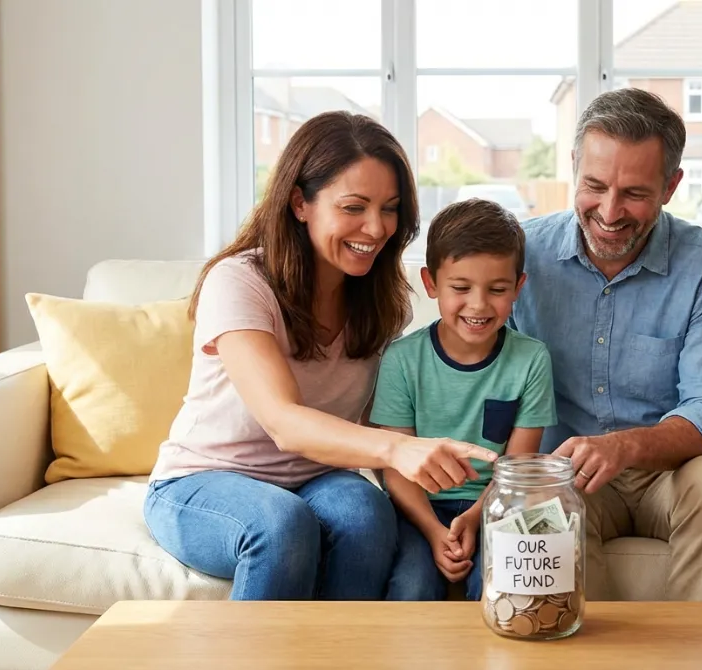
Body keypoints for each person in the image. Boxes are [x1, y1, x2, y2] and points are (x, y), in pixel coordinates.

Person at [143, 111, 499, 601]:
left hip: (315, 478)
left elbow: (380, 419)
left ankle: (341, 645)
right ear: (300, 203)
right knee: (280, 524)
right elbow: (283, 421)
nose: (376, 228)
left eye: (390, 209)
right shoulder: (239, 281)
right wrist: (396, 449)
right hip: (203, 480)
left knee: (366, 515)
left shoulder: (381, 301)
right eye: (354, 207)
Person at [509, 88, 702, 602]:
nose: (609, 211)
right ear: (573, 166)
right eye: (594, 186)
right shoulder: (520, 256)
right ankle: (589, 646)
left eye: (634, 193)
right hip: (569, 474)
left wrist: (624, 447)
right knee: (539, 498)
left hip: (672, 475)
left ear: (671, 186)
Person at [372, 198, 558, 601]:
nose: (478, 305)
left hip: (498, 506)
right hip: (417, 509)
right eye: (460, 288)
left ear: (518, 287)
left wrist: (475, 518)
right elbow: (396, 469)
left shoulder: (532, 360)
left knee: (498, 589)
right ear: (431, 283)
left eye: (497, 290)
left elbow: (517, 468)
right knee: (412, 588)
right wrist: (434, 531)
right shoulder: (401, 360)